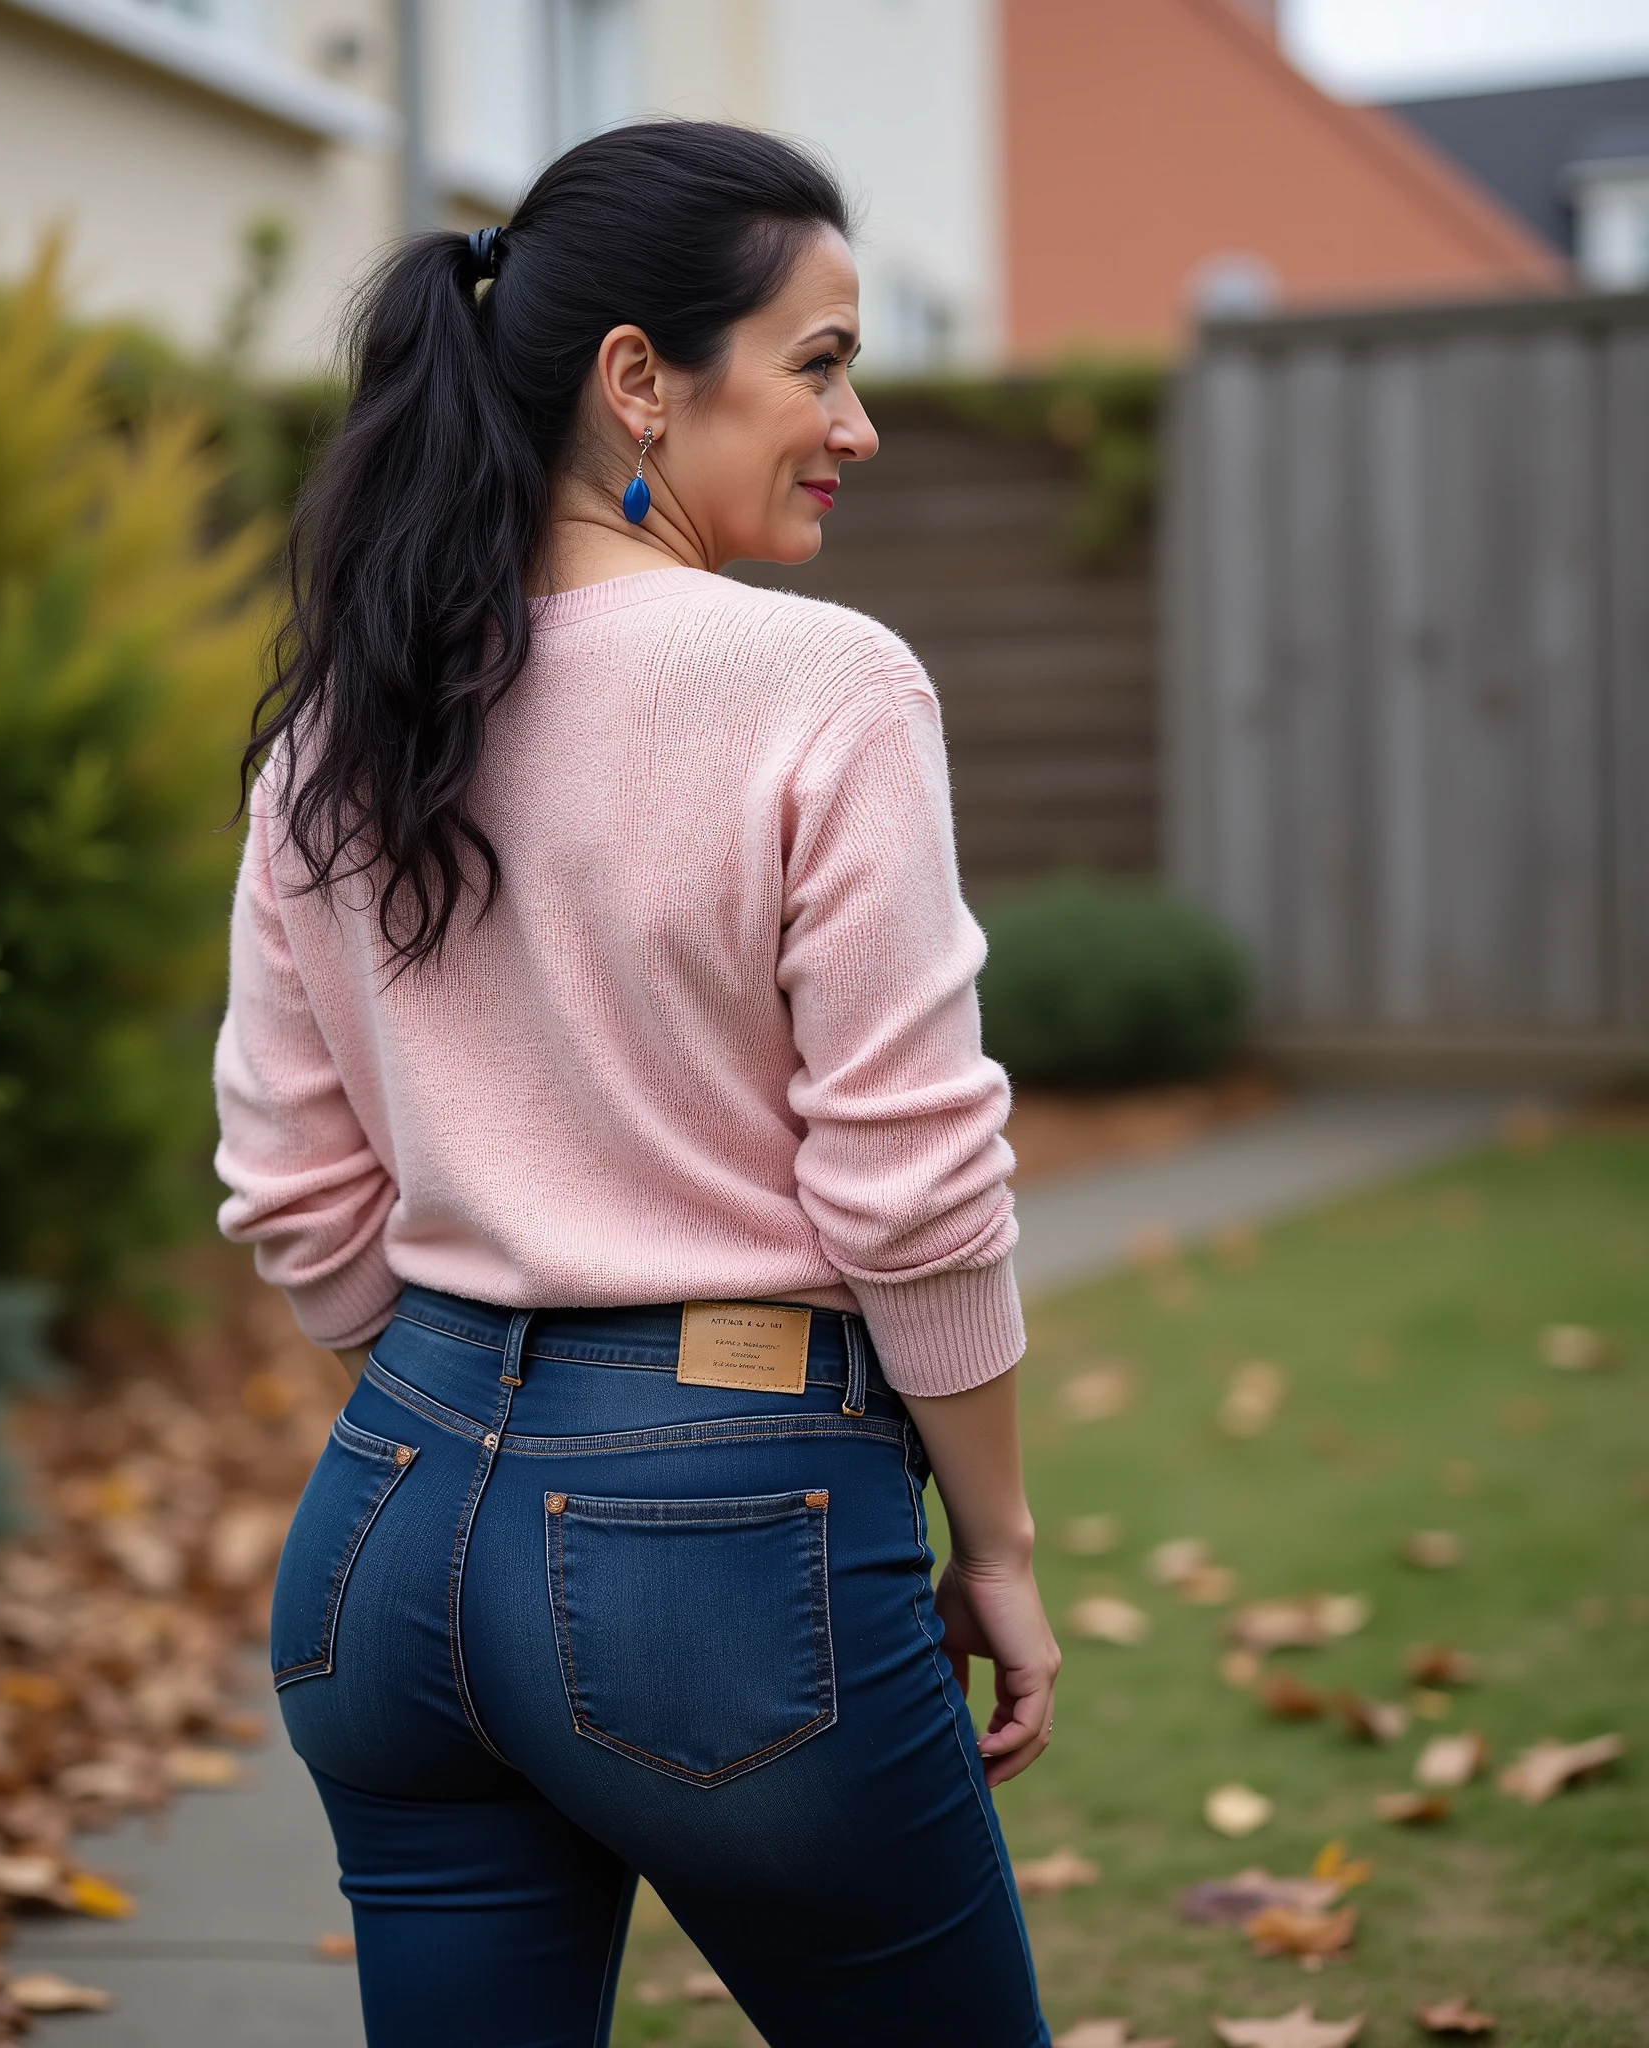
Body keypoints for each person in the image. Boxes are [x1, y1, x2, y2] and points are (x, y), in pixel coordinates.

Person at [214, 119, 1059, 2048]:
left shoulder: (337, 722)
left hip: (384, 1536)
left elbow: (288, 1184)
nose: (859, 425)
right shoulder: (824, 687)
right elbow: (917, 1186)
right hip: (726, 1549)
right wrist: (994, 1545)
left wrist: (474, 1408)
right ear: (638, 382)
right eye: (823, 364)